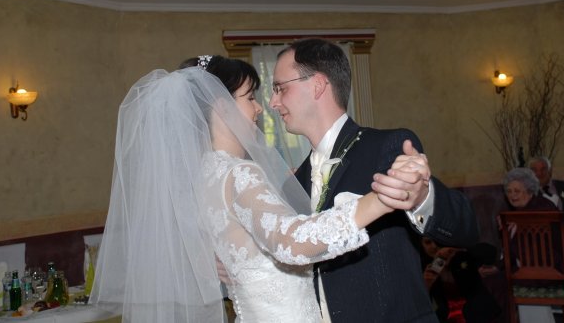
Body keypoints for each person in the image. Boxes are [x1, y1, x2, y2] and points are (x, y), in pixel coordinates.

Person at [90, 55, 407, 323]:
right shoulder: (238, 174)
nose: (260, 109)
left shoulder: (200, 178)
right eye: (250, 97)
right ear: (222, 106)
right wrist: (379, 200)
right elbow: (290, 241)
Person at [269, 38, 479, 322]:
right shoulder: (293, 183)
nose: (273, 102)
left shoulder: (386, 147)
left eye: (280, 88)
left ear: (317, 85)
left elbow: (467, 229)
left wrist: (422, 198)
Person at [499, 167, 561, 323]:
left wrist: (518, 225)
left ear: (530, 190)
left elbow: (538, 249)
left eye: (517, 191)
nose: (512, 195)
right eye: (509, 191)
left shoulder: (543, 207)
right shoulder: (515, 212)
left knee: (496, 286)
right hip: (528, 269)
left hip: (547, 270)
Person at [420, 237, 501, 323]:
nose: (434, 246)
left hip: (479, 315)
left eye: (437, 240)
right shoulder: (427, 268)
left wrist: (459, 249)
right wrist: (426, 285)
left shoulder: (461, 257)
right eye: (428, 242)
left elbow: (490, 252)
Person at [528, 156, 564, 222]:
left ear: (550, 171)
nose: (539, 173)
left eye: (543, 169)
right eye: (534, 170)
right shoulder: (527, 193)